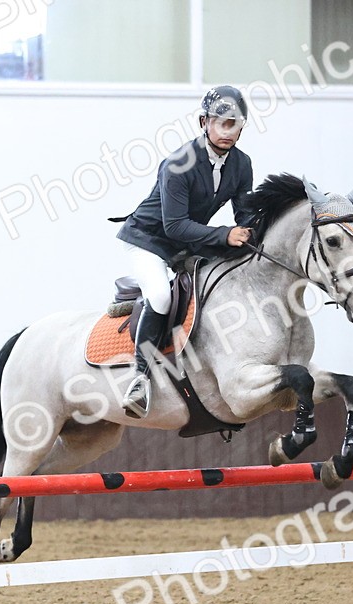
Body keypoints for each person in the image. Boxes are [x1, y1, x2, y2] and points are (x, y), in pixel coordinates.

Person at [115, 85, 258, 418]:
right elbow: (175, 226)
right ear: (203, 122)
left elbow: (245, 215)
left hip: (186, 243)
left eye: (234, 124)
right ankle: (140, 378)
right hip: (148, 239)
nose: (227, 130)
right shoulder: (178, 163)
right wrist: (225, 235)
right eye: (220, 122)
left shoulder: (241, 164)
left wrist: (257, 233)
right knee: (162, 299)